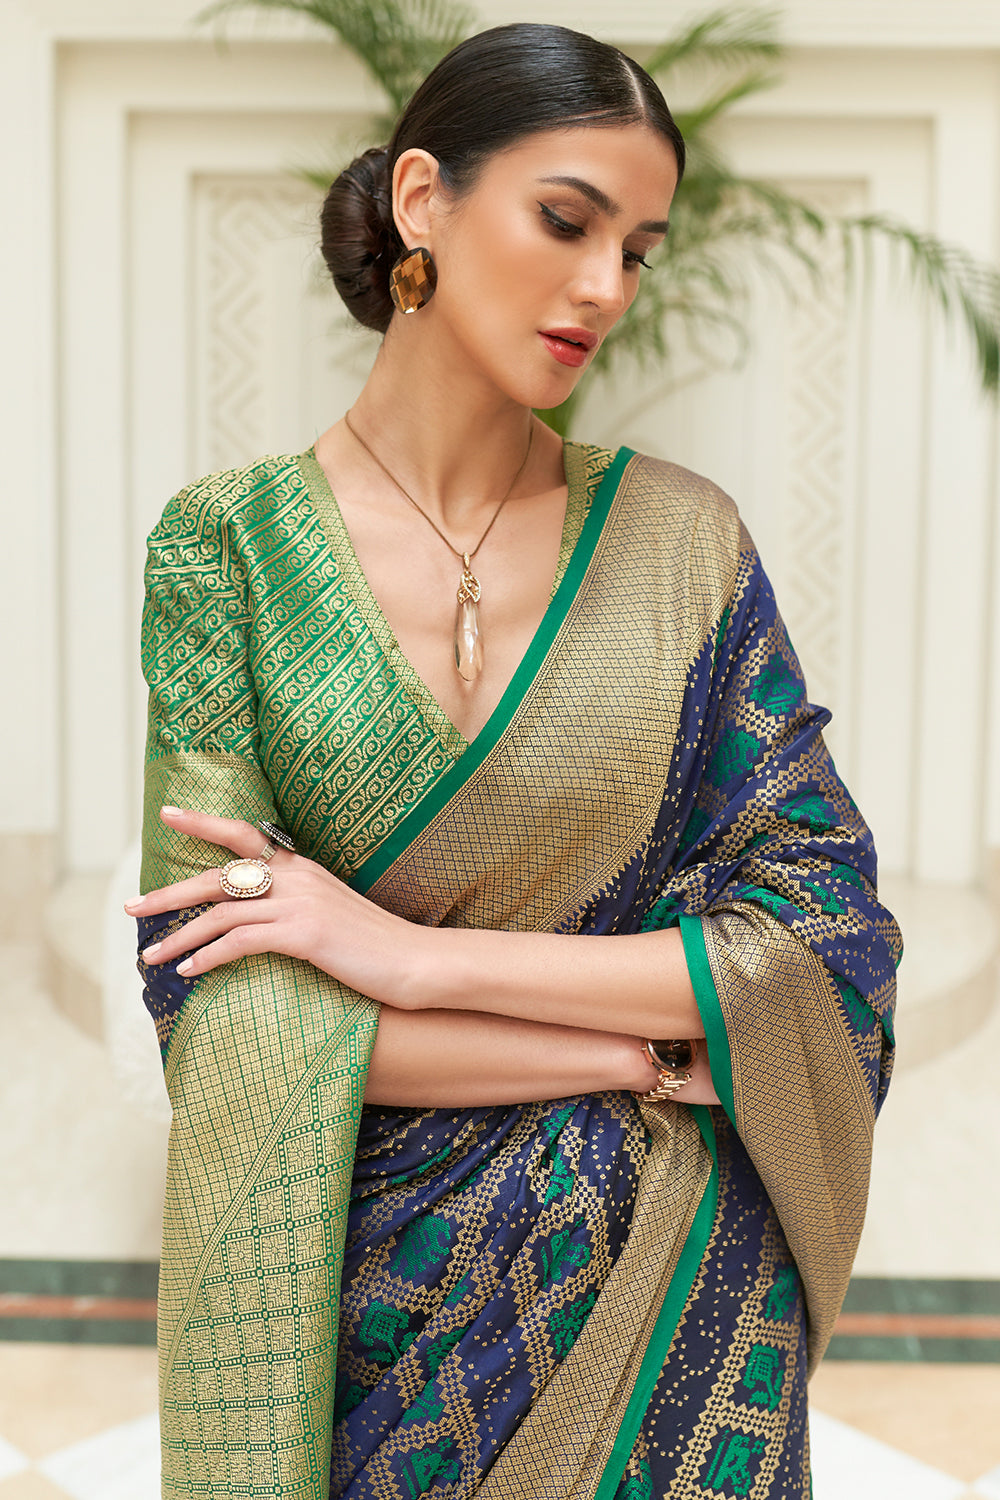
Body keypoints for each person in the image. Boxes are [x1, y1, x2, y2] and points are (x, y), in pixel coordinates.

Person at [129, 23, 900, 1500]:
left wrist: (406, 961)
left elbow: (824, 938)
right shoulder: (227, 550)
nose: (606, 287)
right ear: (423, 199)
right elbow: (220, 1011)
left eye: (639, 252)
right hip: (361, 1296)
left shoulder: (681, 546)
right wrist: (635, 1054)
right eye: (566, 221)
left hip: (663, 1272)